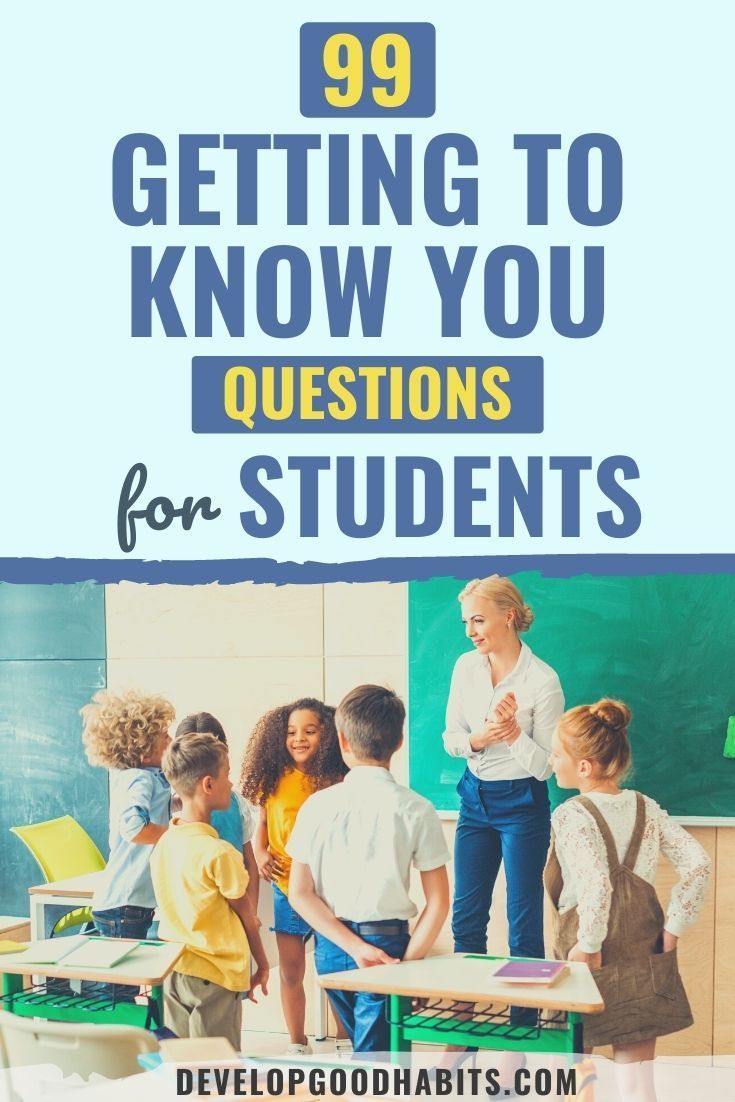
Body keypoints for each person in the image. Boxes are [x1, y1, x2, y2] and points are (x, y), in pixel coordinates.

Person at [546, 698, 711, 1102]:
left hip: (586, 955)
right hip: (642, 951)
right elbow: (698, 864)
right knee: (638, 1085)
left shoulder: (571, 814)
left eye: (555, 753)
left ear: (583, 766)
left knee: (577, 1081)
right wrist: (673, 928)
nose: (551, 762)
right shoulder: (646, 808)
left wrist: (589, 946)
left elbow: (596, 886)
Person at [288, 684, 450, 1055]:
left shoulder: (317, 806)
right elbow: (438, 903)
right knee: (380, 1066)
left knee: (368, 1060)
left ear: (342, 740)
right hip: (387, 946)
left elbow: (300, 893)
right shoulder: (417, 808)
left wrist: (352, 947)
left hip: (331, 948)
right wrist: (407, 968)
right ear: (399, 742)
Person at [443, 575, 564, 980]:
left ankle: (522, 1031)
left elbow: (547, 767)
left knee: (523, 925)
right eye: (466, 623)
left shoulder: (542, 681)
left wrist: (512, 735)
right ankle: (466, 1029)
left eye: (477, 621)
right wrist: (478, 739)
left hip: (523, 806)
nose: (469, 632)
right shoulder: (464, 667)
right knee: (467, 920)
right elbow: (451, 737)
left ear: (508, 616)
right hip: (474, 800)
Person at [239, 697, 348, 1055]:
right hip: (287, 888)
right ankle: (297, 1043)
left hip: (329, 890)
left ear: (328, 736)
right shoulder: (275, 779)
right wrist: (259, 851)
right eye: (291, 732)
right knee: (290, 971)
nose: (298, 738)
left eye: (310, 731)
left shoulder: (335, 780)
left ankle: (346, 1042)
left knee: (333, 972)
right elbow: (264, 825)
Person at [150, 732, 269, 1050]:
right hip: (215, 976)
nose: (231, 784)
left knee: (183, 1067)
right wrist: (263, 964)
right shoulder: (219, 853)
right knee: (219, 1075)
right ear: (208, 784)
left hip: (175, 971)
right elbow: (247, 918)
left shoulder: (165, 842)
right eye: (227, 775)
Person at [81, 689, 175, 943]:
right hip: (125, 903)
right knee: (121, 981)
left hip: (128, 902)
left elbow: (161, 806)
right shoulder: (139, 779)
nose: (171, 740)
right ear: (144, 751)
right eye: (164, 736)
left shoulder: (146, 776)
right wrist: (176, 836)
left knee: (124, 979)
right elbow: (134, 828)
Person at [175, 712, 259, 915]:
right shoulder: (168, 804)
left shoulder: (236, 803)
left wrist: (251, 915)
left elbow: (250, 864)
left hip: (232, 916)